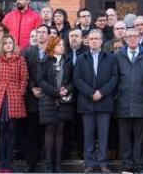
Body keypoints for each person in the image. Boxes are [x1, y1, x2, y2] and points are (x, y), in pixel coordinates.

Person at [73, 29, 118, 174]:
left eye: (96, 39)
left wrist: (102, 92)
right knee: (89, 136)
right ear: (87, 41)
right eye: (91, 39)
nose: (94, 41)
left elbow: (114, 77)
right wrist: (91, 93)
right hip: (87, 102)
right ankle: (90, 164)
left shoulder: (110, 58)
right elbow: (77, 79)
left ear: (101, 41)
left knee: (103, 136)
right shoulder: (81, 58)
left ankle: (103, 163)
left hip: (104, 103)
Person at [0, 34, 28, 173]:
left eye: (10, 43)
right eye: (6, 43)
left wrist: (20, 92)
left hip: (14, 98)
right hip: (0, 99)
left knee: (12, 131)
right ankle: (2, 163)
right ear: (2, 45)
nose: (8, 45)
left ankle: (9, 164)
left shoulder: (20, 60)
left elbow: (24, 78)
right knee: (1, 131)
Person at [114, 28, 143, 173]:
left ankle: (139, 166)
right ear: (124, 39)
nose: (132, 39)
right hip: (122, 103)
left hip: (141, 102)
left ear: (140, 37)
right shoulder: (118, 55)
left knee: (140, 139)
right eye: (129, 36)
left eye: (135, 36)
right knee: (124, 139)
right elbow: (115, 78)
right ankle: (127, 166)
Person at [37, 35, 74, 173]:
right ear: (52, 47)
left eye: (63, 45)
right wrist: (55, 91)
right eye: (59, 45)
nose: (62, 47)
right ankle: (48, 164)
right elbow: (41, 80)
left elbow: (72, 80)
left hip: (64, 102)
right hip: (48, 100)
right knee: (50, 130)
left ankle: (58, 165)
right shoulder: (44, 61)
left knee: (60, 130)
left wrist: (67, 89)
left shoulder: (68, 61)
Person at [20, 24, 49, 172]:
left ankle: (45, 161)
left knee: (47, 133)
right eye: (39, 32)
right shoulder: (27, 52)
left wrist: (44, 89)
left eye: (44, 32)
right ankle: (30, 162)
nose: (41, 35)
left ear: (49, 35)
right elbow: (24, 73)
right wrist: (32, 88)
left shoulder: (52, 52)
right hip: (31, 98)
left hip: (49, 98)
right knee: (31, 132)